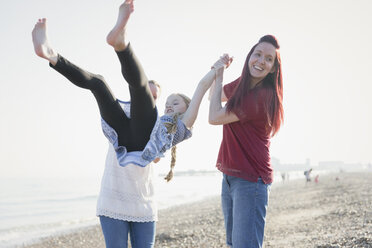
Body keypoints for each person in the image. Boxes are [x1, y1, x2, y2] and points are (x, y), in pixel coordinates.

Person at [31, 1, 229, 247]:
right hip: (113, 196)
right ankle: (53, 56)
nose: (167, 106)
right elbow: (136, 98)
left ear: (186, 109)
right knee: (100, 84)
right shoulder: (137, 114)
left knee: (138, 89)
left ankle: (122, 44)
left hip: (143, 205)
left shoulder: (180, 126)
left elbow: (200, 89)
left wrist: (217, 71)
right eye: (164, 101)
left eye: (174, 103)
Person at [209, 35, 284, 248]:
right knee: (234, 244)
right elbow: (214, 97)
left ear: (272, 69)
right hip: (231, 176)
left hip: (251, 181)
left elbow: (214, 116)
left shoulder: (262, 96)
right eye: (257, 54)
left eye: (268, 59)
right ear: (249, 56)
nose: (261, 61)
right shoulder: (244, 84)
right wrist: (218, 71)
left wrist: (219, 74)